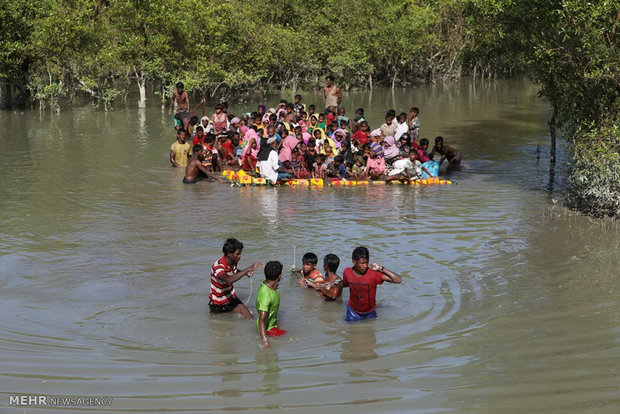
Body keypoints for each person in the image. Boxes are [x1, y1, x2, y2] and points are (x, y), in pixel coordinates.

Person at [342, 246, 402, 322]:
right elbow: (345, 284)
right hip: (352, 311)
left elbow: (398, 280)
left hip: (369, 312)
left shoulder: (373, 274)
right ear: (354, 262)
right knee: (351, 331)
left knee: (370, 332)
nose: (365, 266)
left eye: (367, 262)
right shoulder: (347, 272)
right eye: (362, 263)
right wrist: (333, 284)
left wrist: (381, 268)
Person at [209, 238, 263, 319]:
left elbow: (233, 271)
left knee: (250, 318)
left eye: (240, 253)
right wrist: (247, 269)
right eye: (237, 254)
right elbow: (228, 279)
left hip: (231, 299)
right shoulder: (217, 266)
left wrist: (245, 273)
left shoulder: (233, 262)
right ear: (229, 253)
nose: (240, 256)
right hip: (218, 304)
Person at [256, 260, 286, 349]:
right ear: (279, 276)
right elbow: (261, 319)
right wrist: (265, 342)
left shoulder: (273, 286)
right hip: (268, 330)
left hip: (273, 325)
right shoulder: (266, 295)